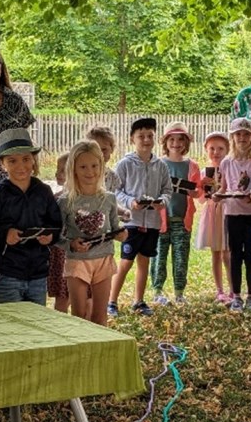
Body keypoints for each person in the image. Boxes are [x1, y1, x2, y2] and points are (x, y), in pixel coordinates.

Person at [0, 128, 62, 305]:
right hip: (8, 271)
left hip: (38, 271)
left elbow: (56, 222)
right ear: (2, 164)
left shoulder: (43, 191)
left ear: (33, 160)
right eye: (12, 161)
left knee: (35, 318)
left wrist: (50, 235)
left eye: (26, 159)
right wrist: (4, 235)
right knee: (9, 318)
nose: (21, 166)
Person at [107, 118, 173, 317]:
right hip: (132, 221)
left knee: (144, 261)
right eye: (141, 136)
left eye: (150, 136)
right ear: (132, 139)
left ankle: (139, 301)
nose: (146, 140)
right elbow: (115, 190)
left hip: (152, 222)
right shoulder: (124, 164)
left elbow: (167, 190)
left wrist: (162, 201)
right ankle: (111, 302)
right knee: (126, 261)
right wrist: (130, 202)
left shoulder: (160, 165)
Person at [58, 141, 126, 325]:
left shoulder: (109, 199)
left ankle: (102, 345)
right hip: (77, 262)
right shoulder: (65, 201)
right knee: (79, 315)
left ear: (101, 166)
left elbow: (115, 228)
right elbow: (55, 237)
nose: (90, 172)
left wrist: (121, 236)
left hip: (104, 260)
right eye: (83, 167)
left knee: (100, 315)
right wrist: (71, 244)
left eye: (94, 165)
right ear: (73, 169)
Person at [151, 122, 202, 305]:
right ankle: (157, 291)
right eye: (171, 139)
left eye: (180, 139)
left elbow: (198, 191)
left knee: (181, 258)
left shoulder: (192, 166)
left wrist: (193, 192)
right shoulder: (158, 164)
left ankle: (179, 292)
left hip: (182, 220)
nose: (176, 143)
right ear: (165, 142)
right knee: (159, 257)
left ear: (186, 142)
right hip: (161, 221)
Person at [217, 118, 251, 311]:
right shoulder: (226, 163)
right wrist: (217, 195)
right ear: (232, 137)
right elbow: (223, 188)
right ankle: (236, 295)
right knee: (235, 254)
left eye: (246, 134)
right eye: (238, 134)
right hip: (232, 213)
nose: (242, 138)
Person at [195, 131, 231, 303]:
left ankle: (233, 289)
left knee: (228, 253)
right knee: (216, 253)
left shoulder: (230, 169)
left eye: (220, 149)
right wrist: (202, 187)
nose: (216, 152)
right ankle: (219, 290)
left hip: (227, 212)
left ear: (227, 150)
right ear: (206, 149)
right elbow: (201, 200)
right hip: (211, 214)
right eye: (212, 148)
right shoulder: (204, 172)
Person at [47, 153, 70, 312]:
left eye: (63, 170)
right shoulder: (54, 199)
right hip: (60, 252)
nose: (57, 173)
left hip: (79, 254)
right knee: (62, 296)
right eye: (57, 169)